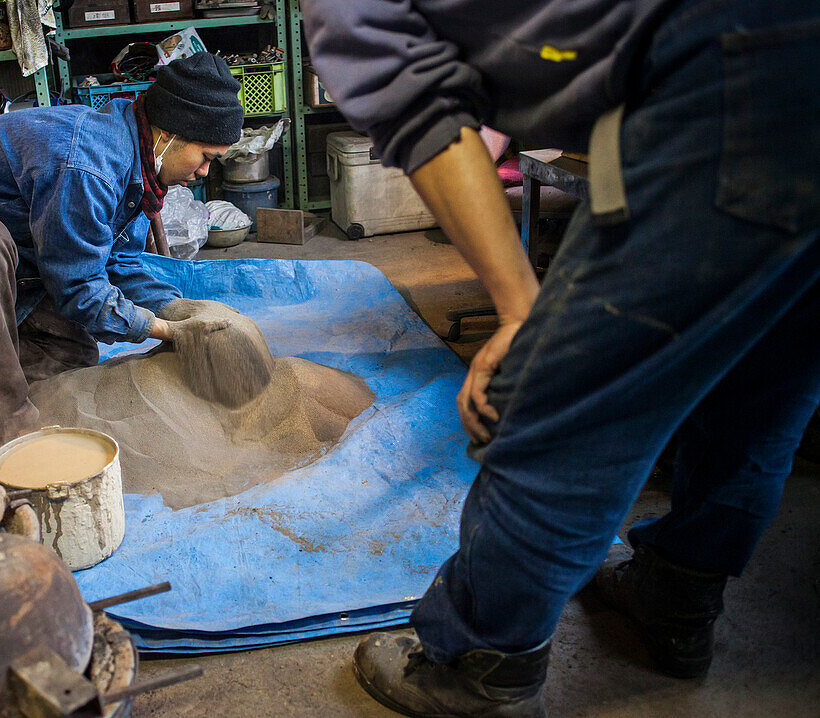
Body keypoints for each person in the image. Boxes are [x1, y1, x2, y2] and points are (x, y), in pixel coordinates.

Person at [301, 0, 819, 715]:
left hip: (737, 76)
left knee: (558, 403)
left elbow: (419, 108)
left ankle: (478, 665)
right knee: (764, 382)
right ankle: (677, 593)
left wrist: (523, 311)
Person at [0, 52, 243, 453]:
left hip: (17, 239)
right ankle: (2, 437)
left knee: (70, 359)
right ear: (169, 135)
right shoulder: (91, 165)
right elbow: (80, 289)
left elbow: (119, 262)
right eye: (205, 157)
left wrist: (180, 312)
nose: (205, 172)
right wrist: (163, 331)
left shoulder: (142, 166)